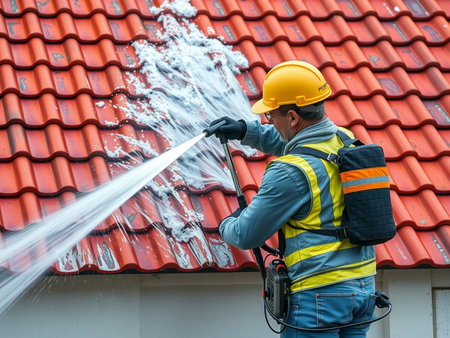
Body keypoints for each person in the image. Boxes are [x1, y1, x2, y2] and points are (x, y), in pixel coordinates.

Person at [209, 61, 377, 337]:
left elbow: (247, 235)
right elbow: (296, 143)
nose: (269, 122)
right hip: (363, 292)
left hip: (319, 296)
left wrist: (227, 221)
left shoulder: (289, 171)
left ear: (293, 117)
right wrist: (244, 131)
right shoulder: (345, 141)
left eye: (272, 116)